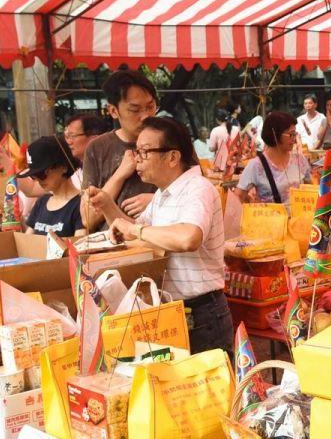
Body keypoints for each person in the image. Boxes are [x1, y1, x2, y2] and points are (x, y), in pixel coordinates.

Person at [89, 118, 229, 355]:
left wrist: (135, 230)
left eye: (144, 152)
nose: (137, 160)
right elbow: (136, 238)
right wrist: (107, 205)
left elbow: (188, 238)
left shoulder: (197, 189)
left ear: (172, 157)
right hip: (172, 312)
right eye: (137, 152)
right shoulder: (163, 194)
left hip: (202, 314)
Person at [81, 70, 159, 232]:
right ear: (113, 111)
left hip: (157, 244)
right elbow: (88, 219)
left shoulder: (174, 140)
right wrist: (120, 175)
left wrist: (157, 201)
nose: (146, 116)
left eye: (150, 107)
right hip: (108, 245)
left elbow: (197, 195)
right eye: (135, 109)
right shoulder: (97, 148)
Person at [238, 112, 311, 205]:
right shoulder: (256, 166)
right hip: (272, 219)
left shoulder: (300, 160)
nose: (294, 139)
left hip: (299, 218)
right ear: (275, 134)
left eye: (295, 134)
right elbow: (238, 196)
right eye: (291, 134)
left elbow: (311, 190)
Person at [19, 136, 83, 238]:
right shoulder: (42, 202)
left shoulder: (81, 204)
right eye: (33, 176)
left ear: (63, 167)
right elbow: (28, 241)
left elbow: (79, 245)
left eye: (42, 174)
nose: (38, 180)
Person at [61, 113, 112, 189]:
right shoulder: (76, 174)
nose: (69, 142)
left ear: (94, 139)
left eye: (72, 136)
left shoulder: (110, 168)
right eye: (67, 137)